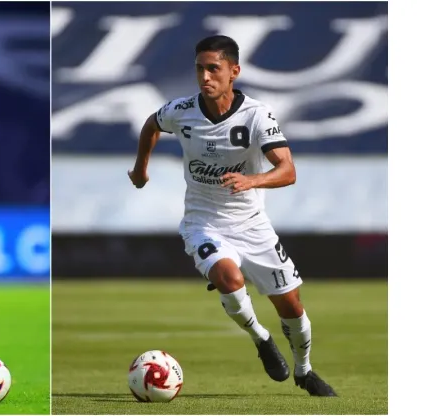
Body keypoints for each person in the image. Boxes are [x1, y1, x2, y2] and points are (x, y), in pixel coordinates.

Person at [127, 35, 336, 397]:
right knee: (228, 276)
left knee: (293, 308)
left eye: (213, 69)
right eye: (199, 69)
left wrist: (252, 179)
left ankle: (304, 370)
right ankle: (262, 338)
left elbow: (288, 170)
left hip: (253, 226)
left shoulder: (256, 115)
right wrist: (140, 169)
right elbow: (151, 125)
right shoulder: (181, 110)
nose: (205, 77)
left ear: (233, 71)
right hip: (203, 223)